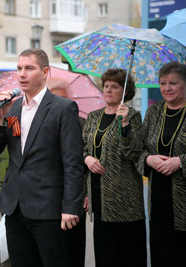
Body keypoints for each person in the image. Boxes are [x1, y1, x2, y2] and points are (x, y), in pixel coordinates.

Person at [0, 48, 84, 267]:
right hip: (15, 207)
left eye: (29, 68)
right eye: (19, 68)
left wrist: (71, 207)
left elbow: (72, 163)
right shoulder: (13, 108)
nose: (22, 74)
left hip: (48, 209)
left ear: (45, 72)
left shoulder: (63, 108)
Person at [82, 69, 146, 267]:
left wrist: (124, 124)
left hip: (124, 199)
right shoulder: (93, 117)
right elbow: (82, 148)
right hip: (99, 195)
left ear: (125, 92)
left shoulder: (133, 117)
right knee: (104, 253)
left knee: (126, 255)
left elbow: (133, 152)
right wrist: (87, 159)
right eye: (106, 86)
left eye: (114, 86)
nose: (108, 90)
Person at [140, 62, 186, 267]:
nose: (167, 88)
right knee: (160, 251)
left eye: (173, 83)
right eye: (163, 83)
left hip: (183, 198)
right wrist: (149, 159)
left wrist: (181, 161)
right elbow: (138, 149)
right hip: (158, 196)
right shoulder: (154, 111)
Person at [47, 76, 87, 267]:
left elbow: (81, 163)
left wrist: (84, 194)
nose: (58, 103)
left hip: (72, 195)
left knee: (72, 250)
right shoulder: (38, 124)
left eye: (62, 98)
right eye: (53, 97)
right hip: (48, 197)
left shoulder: (79, 122)